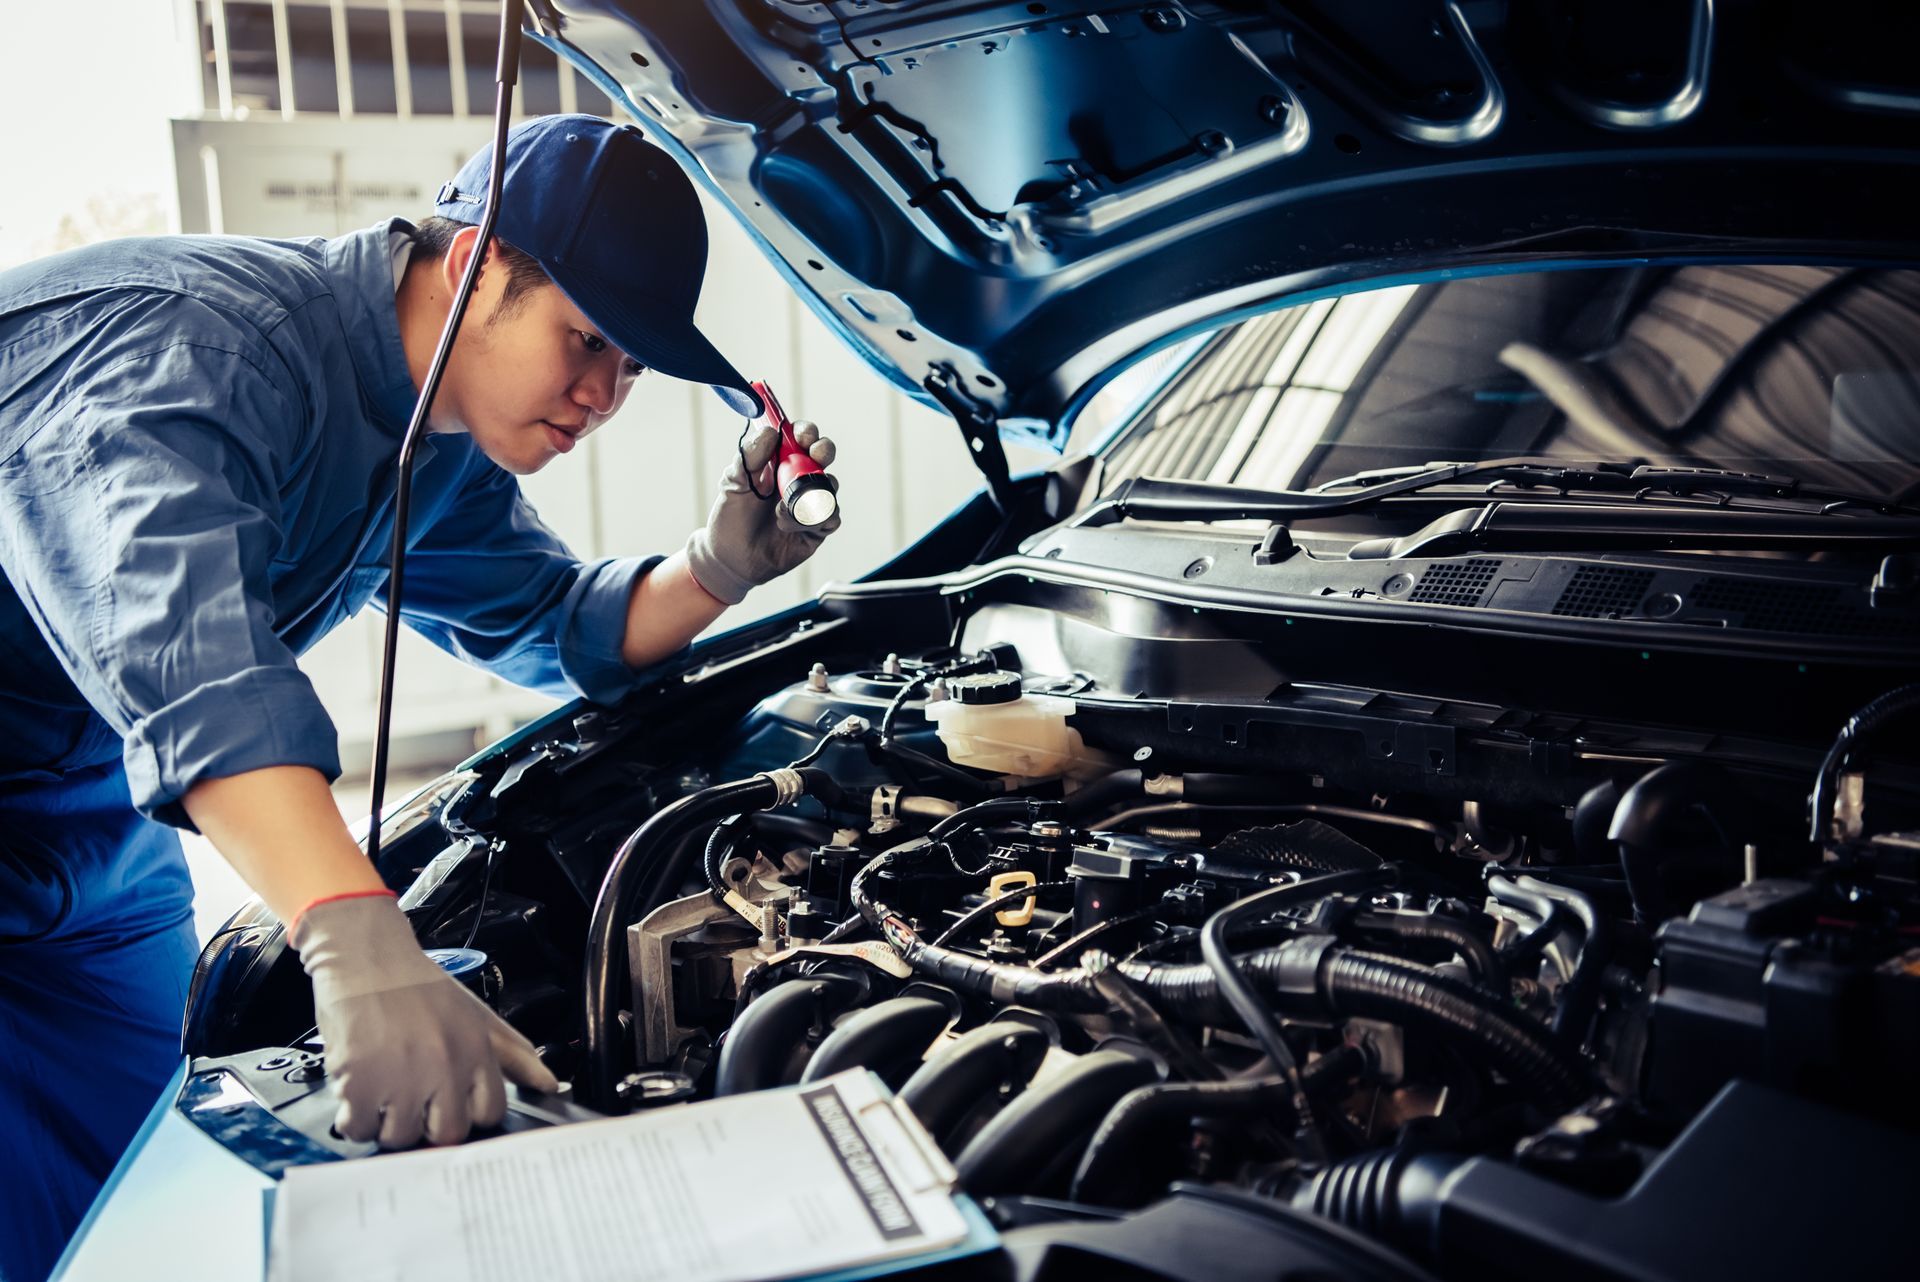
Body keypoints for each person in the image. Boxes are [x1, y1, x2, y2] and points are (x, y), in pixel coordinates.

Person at [0, 114, 840, 1281]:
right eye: (586, 339)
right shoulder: (199, 349)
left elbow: (555, 622)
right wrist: (359, 938)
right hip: (71, 785)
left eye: (630, 369)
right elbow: (190, 660)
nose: (603, 394)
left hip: (82, 833)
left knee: (145, 1204)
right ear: (474, 264)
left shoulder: (428, 447)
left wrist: (718, 566)